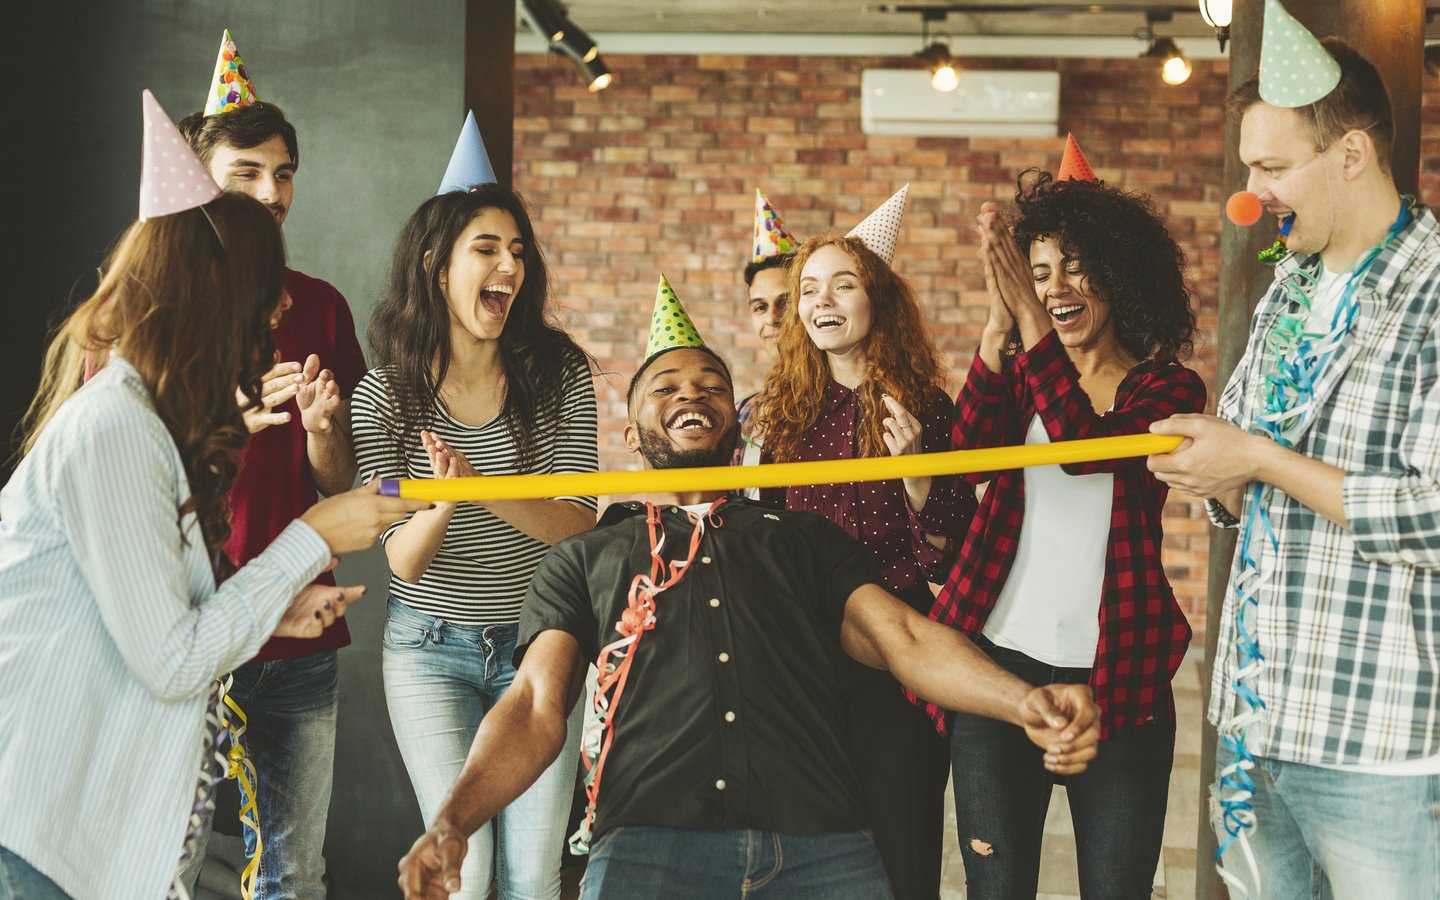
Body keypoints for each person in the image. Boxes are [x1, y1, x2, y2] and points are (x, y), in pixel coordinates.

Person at [393, 331, 1103, 900]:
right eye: (665, 387)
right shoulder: (585, 557)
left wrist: (1025, 700)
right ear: (634, 433)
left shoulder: (800, 538)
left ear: (737, 421)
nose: (690, 394)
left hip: (821, 847)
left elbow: (905, 639)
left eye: (711, 386)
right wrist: (455, 822)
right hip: (648, 848)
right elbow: (534, 705)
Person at [0, 93, 427, 900]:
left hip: (77, 830)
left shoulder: (147, 430)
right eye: (266, 297)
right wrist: (312, 535)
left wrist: (269, 605)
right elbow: (172, 660)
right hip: (40, 827)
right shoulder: (117, 431)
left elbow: (154, 611)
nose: (280, 315)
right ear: (210, 291)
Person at [1148, 23, 1440, 900]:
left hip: (1380, 748)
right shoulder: (1289, 289)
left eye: (1272, 168)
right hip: (1257, 728)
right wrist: (1216, 469)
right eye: (1249, 168)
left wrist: (1262, 461)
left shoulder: (1434, 296)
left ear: (1349, 154)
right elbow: (1242, 471)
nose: (1252, 194)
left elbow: (1432, 515)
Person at [923, 159, 1204, 898]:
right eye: (1039, 273)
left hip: (1119, 679)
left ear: (1123, 275)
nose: (1054, 289)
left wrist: (1028, 327)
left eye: (1076, 269)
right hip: (998, 671)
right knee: (995, 885)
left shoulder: (1167, 386)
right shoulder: (1022, 371)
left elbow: (1086, 452)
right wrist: (995, 330)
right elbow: (967, 460)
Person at [351, 182, 597, 900]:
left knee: (532, 878)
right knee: (467, 869)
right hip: (430, 654)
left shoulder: (559, 376)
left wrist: (476, 484)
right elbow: (403, 555)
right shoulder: (383, 397)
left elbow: (578, 522)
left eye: (517, 251)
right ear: (436, 266)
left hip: (540, 649)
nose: (509, 267)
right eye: (486, 249)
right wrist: (443, 503)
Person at [175, 31, 368, 897]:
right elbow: (117, 477)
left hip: (300, 634)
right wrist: (229, 423)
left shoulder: (321, 306)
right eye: (246, 171)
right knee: (154, 862)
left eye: (283, 172)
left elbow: (341, 486)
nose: (271, 191)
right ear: (195, 174)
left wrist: (323, 430)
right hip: (177, 632)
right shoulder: (152, 308)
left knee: (294, 875)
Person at [756, 188, 974, 900]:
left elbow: (952, 549)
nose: (822, 301)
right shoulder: (779, 414)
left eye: (841, 285)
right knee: (809, 837)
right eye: (808, 289)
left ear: (876, 299)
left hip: (895, 640)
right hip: (801, 640)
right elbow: (762, 531)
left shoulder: (927, 408)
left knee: (902, 831)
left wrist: (915, 480)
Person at [733, 188, 797, 473]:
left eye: (785, 302)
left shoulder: (848, 400)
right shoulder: (744, 412)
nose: (772, 318)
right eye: (760, 307)